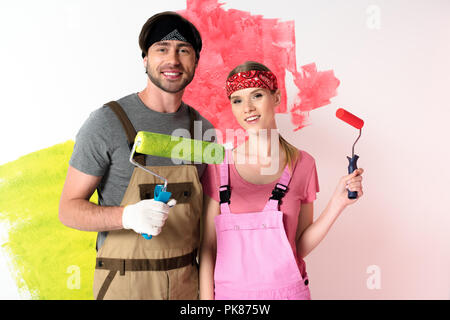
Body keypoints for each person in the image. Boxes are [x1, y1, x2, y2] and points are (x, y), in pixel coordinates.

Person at [59, 11, 215, 300]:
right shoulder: (108, 122)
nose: (173, 60)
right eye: (162, 49)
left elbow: (208, 218)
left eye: (184, 50)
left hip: (185, 286)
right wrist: (127, 216)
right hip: (124, 283)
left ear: (196, 61)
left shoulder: (203, 130)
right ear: (145, 58)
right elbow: (68, 210)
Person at [199, 61, 364, 300]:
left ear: (275, 98)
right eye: (237, 100)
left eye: (257, 95)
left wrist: (338, 204)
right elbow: (207, 249)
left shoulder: (303, 164)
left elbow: (298, 246)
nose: (247, 108)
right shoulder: (218, 165)